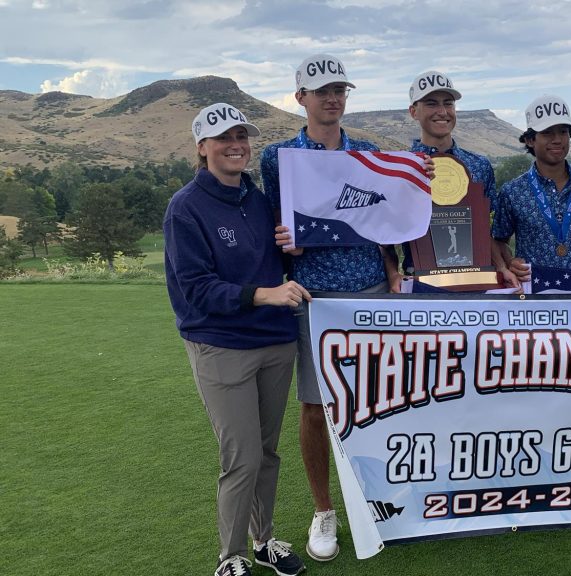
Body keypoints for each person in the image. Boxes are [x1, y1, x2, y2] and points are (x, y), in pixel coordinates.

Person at [259, 53, 399, 563]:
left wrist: (392, 270)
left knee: (379, 402)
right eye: (322, 91)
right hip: (314, 299)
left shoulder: (368, 152)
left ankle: (379, 499)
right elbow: (274, 224)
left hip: (370, 291)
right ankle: (324, 509)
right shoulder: (278, 157)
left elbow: (384, 220)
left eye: (339, 90)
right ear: (301, 97)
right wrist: (285, 244)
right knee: (317, 407)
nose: (333, 99)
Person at [164, 103, 310, 576]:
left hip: (274, 340)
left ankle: (264, 541)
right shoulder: (186, 207)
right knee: (242, 457)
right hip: (221, 344)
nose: (236, 145)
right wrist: (266, 294)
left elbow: (270, 260)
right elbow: (196, 287)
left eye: (242, 136)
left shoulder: (259, 199)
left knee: (266, 453)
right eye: (224, 137)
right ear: (202, 147)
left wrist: (291, 252)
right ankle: (230, 556)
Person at [402, 70, 514, 286]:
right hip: (420, 283)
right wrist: (392, 274)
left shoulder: (480, 165)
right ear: (413, 112)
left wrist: (501, 268)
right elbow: (388, 234)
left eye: (449, 103)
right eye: (432, 104)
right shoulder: (403, 167)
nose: (442, 111)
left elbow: (486, 229)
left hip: (475, 279)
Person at [491, 95, 571, 280]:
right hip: (535, 290)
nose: (557, 139)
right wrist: (510, 262)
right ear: (530, 140)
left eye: (563, 131)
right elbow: (499, 240)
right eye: (547, 132)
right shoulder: (512, 191)